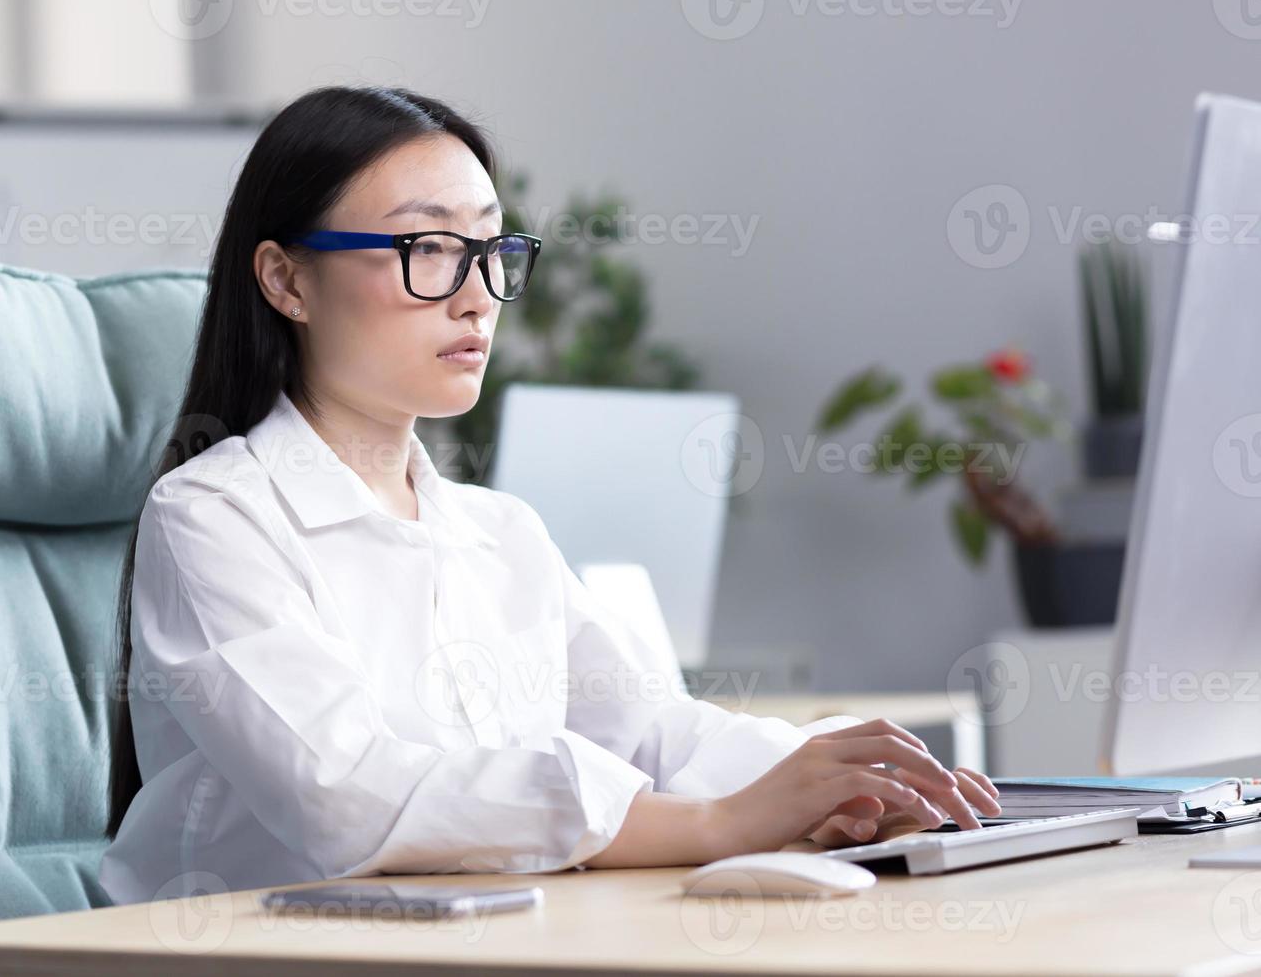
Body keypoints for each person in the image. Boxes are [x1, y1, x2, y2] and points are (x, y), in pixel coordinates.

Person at [98, 85, 1000, 905]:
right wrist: (718, 826)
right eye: (430, 249)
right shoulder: (213, 517)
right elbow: (349, 801)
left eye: (490, 250)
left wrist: (835, 777)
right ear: (287, 280)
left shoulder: (500, 532)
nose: (478, 297)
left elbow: (654, 735)